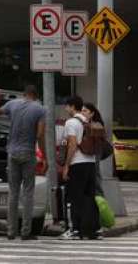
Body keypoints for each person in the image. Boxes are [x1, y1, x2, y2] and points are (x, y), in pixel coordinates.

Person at [0, 85, 46, 241]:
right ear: (35, 95)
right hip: (28, 153)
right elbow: (40, 134)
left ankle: (10, 231)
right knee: (28, 193)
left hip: (12, 153)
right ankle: (25, 232)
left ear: (24, 94)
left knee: (13, 193)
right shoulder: (40, 109)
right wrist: (44, 156)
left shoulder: (13, 104)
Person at [61, 96, 99, 240]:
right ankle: (93, 230)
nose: (66, 109)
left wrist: (66, 166)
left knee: (74, 197)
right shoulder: (87, 120)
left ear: (72, 106)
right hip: (91, 163)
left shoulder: (71, 122)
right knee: (89, 198)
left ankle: (75, 230)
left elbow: (72, 145)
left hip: (77, 164)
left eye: (67, 106)